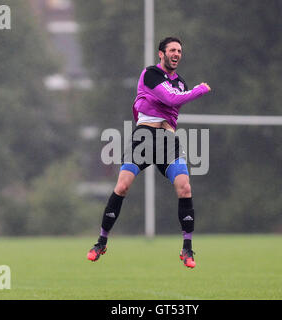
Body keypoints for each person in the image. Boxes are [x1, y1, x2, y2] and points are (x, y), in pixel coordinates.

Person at [87, 37, 211, 268]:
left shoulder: (181, 83)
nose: (177, 54)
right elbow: (172, 99)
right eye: (172, 50)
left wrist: (178, 97)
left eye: (180, 51)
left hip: (167, 140)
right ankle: (101, 241)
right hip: (144, 138)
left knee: (184, 187)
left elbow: (172, 103)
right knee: (122, 186)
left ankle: (187, 249)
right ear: (161, 54)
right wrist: (200, 90)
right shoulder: (151, 73)